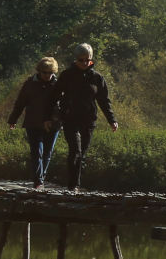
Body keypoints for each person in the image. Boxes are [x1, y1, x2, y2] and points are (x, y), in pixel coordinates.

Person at [51, 42, 118, 190]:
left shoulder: (97, 78)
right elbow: (54, 95)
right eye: (80, 60)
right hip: (70, 118)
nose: (84, 63)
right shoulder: (67, 75)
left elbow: (103, 101)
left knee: (82, 154)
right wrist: (54, 115)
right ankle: (73, 185)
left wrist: (112, 120)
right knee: (75, 150)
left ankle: (76, 184)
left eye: (87, 60)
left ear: (91, 59)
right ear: (75, 59)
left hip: (88, 120)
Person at [7, 56, 62, 189]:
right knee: (37, 152)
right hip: (33, 123)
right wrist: (13, 119)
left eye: (50, 73)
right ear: (39, 71)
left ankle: (41, 177)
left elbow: (64, 105)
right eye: (45, 73)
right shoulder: (30, 84)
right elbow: (20, 103)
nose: (48, 75)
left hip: (53, 124)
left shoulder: (59, 84)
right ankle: (38, 182)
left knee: (47, 153)